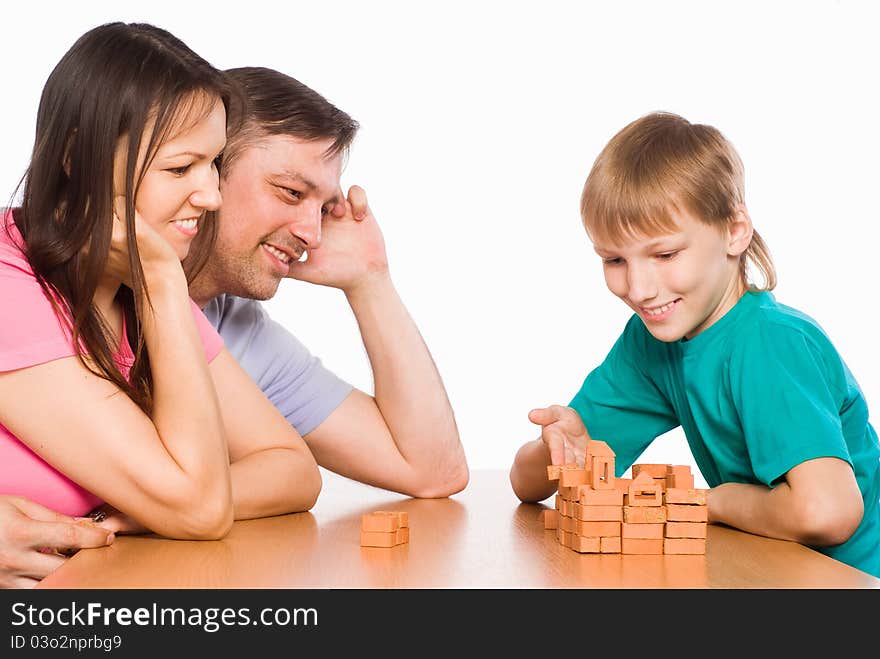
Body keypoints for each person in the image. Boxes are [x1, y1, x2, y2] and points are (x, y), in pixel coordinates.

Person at [0, 23, 322, 587]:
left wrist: (124, 516)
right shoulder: (14, 284)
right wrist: (165, 285)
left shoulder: (141, 279)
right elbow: (198, 509)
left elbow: (292, 468)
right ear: (80, 158)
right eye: (179, 168)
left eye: (215, 163)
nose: (212, 195)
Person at [509, 111, 880, 577]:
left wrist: (716, 503)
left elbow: (826, 511)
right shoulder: (651, 344)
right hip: (771, 572)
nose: (640, 289)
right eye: (614, 259)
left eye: (664, 255)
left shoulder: (770, 343)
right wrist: (557, 453)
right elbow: (525, 484)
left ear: (734, 230)